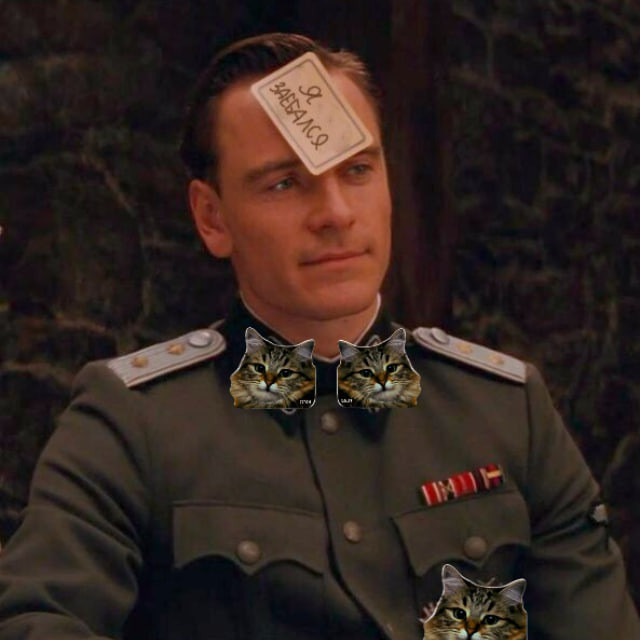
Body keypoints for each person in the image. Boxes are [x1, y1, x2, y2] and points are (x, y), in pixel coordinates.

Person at [0, 32, 637, 640]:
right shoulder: (133, 423)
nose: (335, 213)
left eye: (357, 170)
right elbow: (37, 621)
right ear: (212, 217)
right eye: (285, 183)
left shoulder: (507, 413)